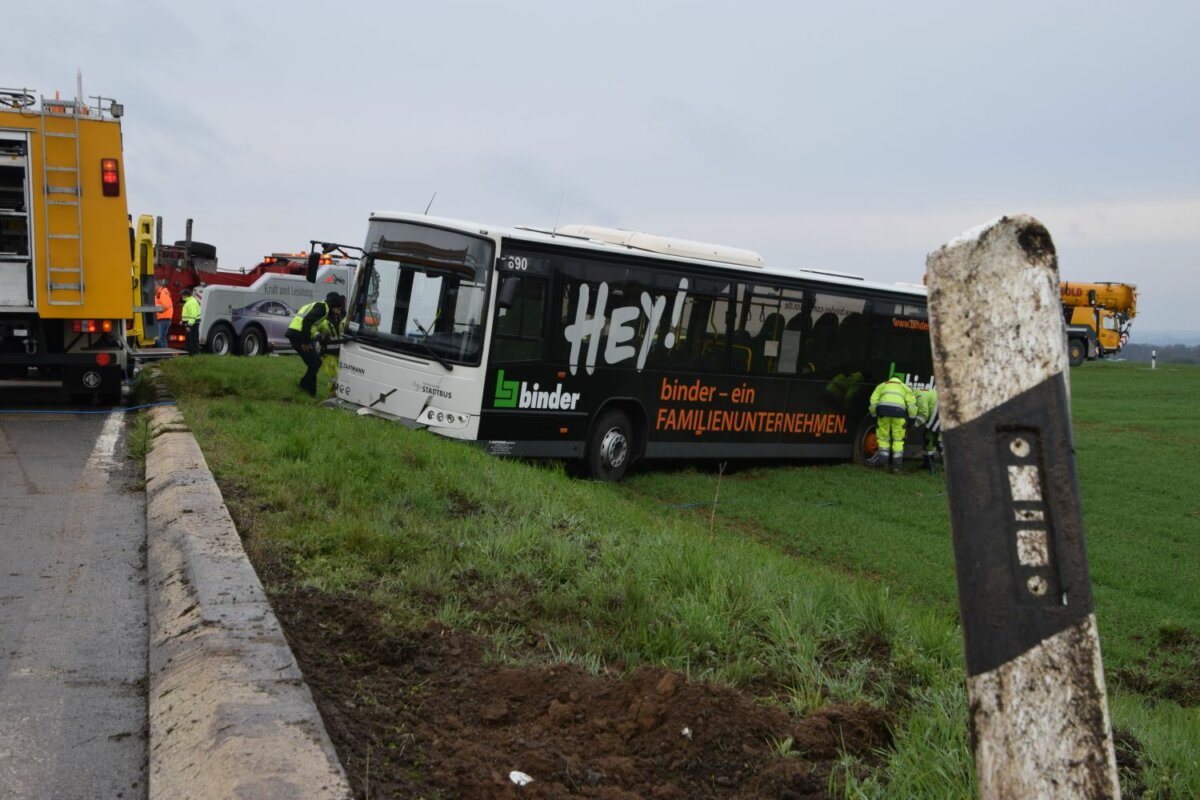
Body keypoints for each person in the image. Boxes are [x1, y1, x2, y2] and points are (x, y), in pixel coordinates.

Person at [287, 292, 346, 397]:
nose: (337, 310)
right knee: (315, 363)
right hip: (298, 335)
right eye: (337, 307)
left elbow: (310, 324)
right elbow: (307, 321)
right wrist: (306, 342)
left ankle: (310, 392)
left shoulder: (319, 305)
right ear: (334, 305)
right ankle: (304, 386)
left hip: (297, 333)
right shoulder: (324, 308)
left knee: (315, 362)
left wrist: (310, 339)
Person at [867, 375, 917, 473]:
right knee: (898, 440)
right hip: (899, 413)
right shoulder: (905, 387)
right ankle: (897, 467)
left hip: (883, 413)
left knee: (883, 438)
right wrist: (911, 420)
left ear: (890, 379)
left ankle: (882, 463)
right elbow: (912, 406)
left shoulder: (882, 385)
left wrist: (874, 415)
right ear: (900, 380)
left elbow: (873, 402)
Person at [913, 387, 941, 468]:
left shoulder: (918, 397)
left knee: (938, 442)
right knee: (929, 438)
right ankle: (928, 462)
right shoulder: (918, 392)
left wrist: (913, 426)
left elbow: (923, 415)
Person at [180, 287, 202, 355]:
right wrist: (183, 321)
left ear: (186, 295)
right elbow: (189, 314)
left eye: (182, 295)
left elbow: (193, 315)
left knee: (192, 340)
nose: (181, 296)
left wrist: (189, 325)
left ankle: (193, 355)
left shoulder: (191, 302)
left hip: (192, 324)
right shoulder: (190, 301)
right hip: (192, 324)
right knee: (190, 340)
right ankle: (190, 354)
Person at [154, 278, 173, 348]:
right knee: (161, 339)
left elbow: (165, 306)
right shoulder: (159, 293)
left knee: (160, 339)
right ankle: (165, 355)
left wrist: (154, 307)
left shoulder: (162, 293)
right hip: (162, 319)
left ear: (157, 286)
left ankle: (164, 356)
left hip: (164, 319)